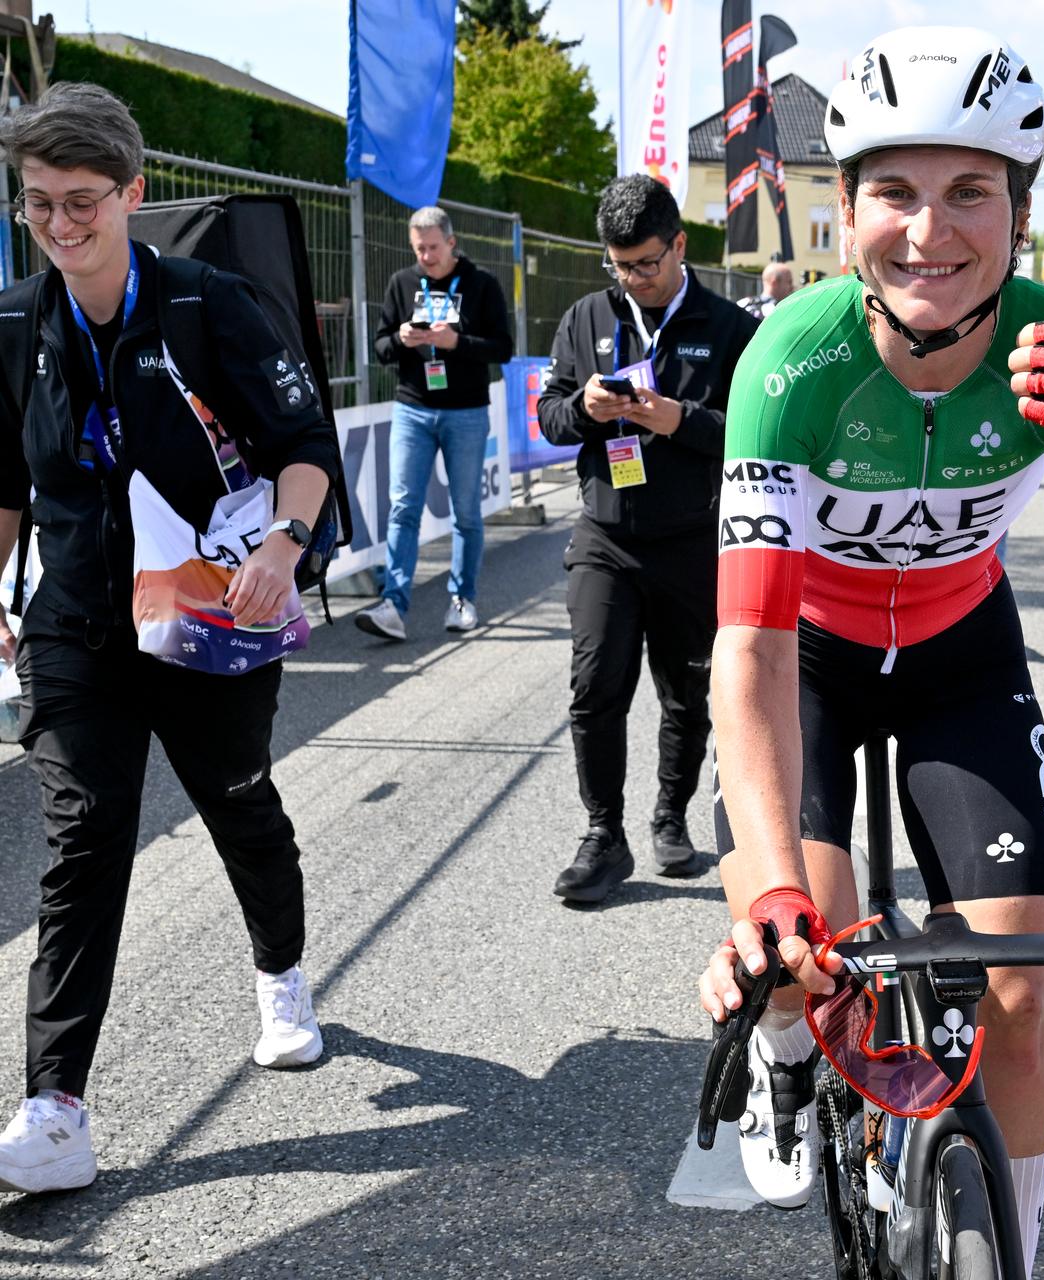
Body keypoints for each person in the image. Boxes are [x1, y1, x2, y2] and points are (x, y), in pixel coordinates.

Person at [696, 28, 1044, 1278]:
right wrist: (772, 894)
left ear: (1020, 214)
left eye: (970, 192)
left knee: (1016, 994)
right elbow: (747, 649)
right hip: (809, 661)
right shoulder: (789, 366)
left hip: (962, 653)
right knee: (805, 955)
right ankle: (788, 1056)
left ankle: (1008, 1249)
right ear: (848, 209)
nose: (930, 231)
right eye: (895, 193)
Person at [0, 82, 338, 1193]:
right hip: (75, 625)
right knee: (83, 837)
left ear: (132, 193)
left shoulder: (207, 304)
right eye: (38, 201)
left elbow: (304, 446)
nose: (60, 223)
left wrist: (284, 544)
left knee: (240, 803)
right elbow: (6, 484)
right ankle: (55, 1106)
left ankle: (281, 975)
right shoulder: (13, 324)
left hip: (209, 614)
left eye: (82, 200)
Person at [536, 175, 759, 897]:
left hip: (691, 541)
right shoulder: (586, 317)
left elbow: (754, 436)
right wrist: (585, 408)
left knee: (686, 696)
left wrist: (678, 420)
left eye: (646, 264)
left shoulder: (729, 328)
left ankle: (671, 817)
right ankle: (604, 835)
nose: (633, 279)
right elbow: (549, 418)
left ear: (679, 245)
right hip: (605, 538)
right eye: (620, 266)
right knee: (594, 686)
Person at [357, 207, 514, 641]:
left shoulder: (481, 284)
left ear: (451, 242)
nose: (425, 256)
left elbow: (503, 348)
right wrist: (402, 338)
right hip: (413, 408)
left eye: (432, 247)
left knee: (466, 511)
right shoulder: (402, 283)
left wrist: (456, 342)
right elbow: (381, 347)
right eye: (418, 248)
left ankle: (463, 599)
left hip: (467, 412)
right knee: (403, 506)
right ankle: (393, 605)